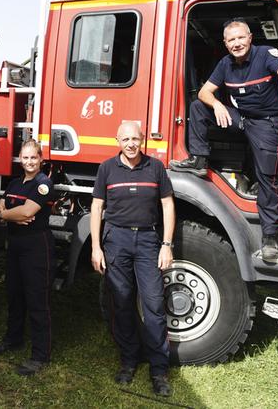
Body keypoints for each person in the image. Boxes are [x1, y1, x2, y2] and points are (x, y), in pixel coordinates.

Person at [170, 19, 278, 262]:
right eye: (231, 40)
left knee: (266, 178)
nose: (237, 43)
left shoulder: (265, 55)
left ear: (250, 38)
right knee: (199, 107)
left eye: (241, 38)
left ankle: (270, 236)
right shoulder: (225, 64)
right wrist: (218, 104)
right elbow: (204, 92)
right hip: (241, 118)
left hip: (266, 122)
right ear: (225, 43)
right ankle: (199, 160)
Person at [90, 121, 175, 397]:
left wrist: (166, 245)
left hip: (149, 240)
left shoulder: (155, 168)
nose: (131, 144)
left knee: (153, 303)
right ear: (117, 141)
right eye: (125, 139)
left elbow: (167, 204)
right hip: (116, 240)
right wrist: (96, 247)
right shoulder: (106, 169)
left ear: (142, 140)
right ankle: (128, 361)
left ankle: (159, 369)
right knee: (122, 303)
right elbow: (97, 207)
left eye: (135, 139)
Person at [0, 139, 56, 376]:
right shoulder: (15, 183)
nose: (29, 162)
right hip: (16, 244)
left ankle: (41, 354)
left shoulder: (44, 184)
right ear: (20, 158)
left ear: (41, 159)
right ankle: (13, 339)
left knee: (37, 300)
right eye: (25, 157)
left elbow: (27, 212)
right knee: (14, 294)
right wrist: (10, 216)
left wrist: (6, 214)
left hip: (36, 246)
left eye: (33, 157)